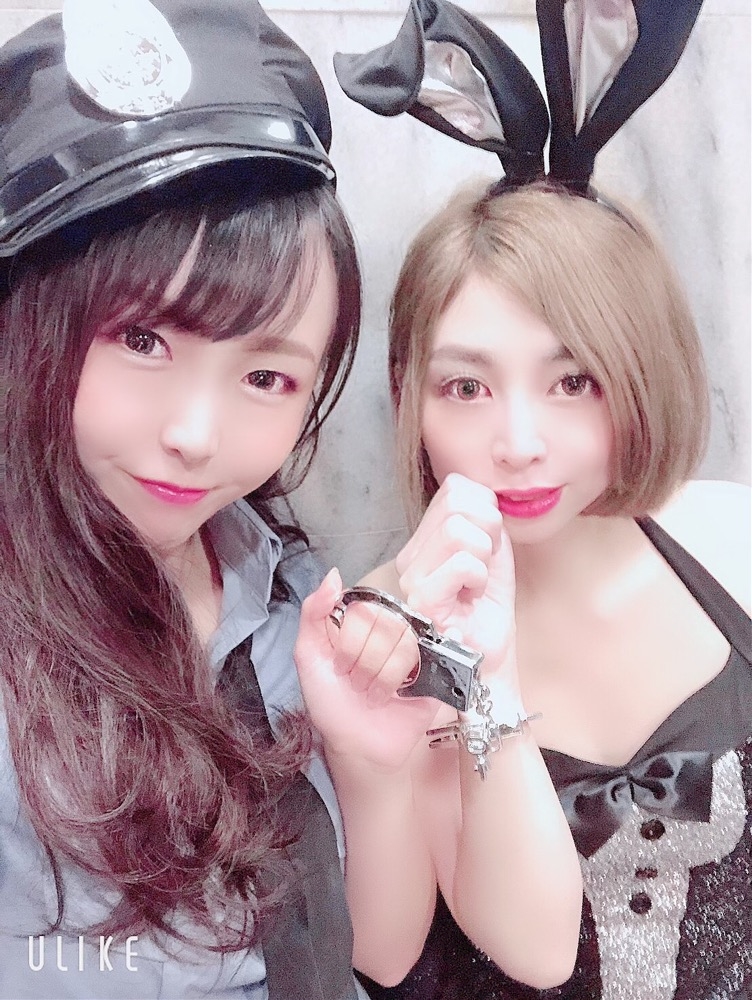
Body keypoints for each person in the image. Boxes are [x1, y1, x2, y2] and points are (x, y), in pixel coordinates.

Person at [313, 1, 751, 997]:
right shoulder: (389, 627)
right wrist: (484, 675)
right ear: (409, 398)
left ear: (641, 374)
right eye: (465, 387)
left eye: (572, 381)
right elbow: (462, 953)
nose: (517, 442)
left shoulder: (731, 541)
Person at [0, 1, 368, 997]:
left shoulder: (288, 597)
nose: (197, 436)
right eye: (144, 340)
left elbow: (353, 950)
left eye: (266, 377)